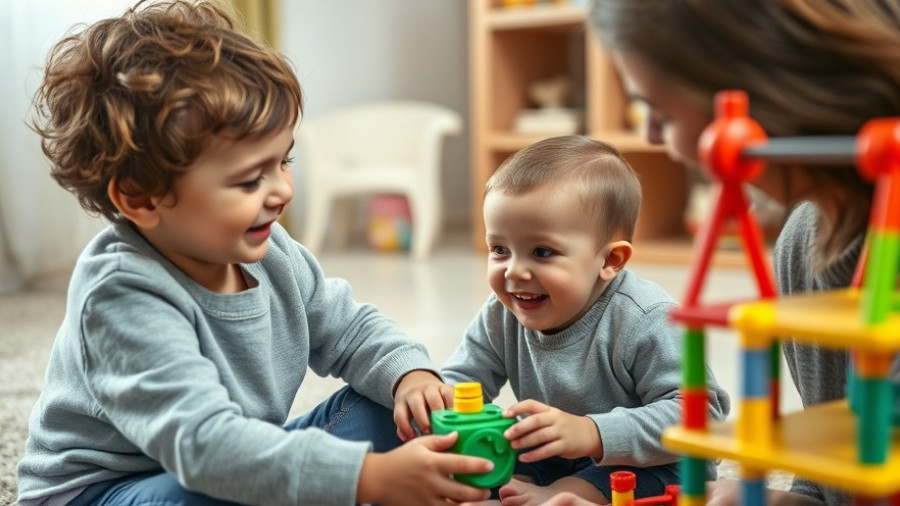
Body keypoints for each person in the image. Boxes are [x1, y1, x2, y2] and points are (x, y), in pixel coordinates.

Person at [15, 1, 494, 505]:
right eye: (249, 179)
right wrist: (368, 480)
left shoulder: (268, 250)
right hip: (112, 490)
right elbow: (205, 448)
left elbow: (349, 330)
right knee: (222, 488)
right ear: (141, 196)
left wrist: (408, 376)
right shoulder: (119, 293)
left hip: (228, 460)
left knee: (391, 411)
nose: (283, 190)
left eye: (283, 161)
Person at [540, 1, 900, 505]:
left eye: (660, 113)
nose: (653, 138)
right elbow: (835, 481)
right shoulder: (806, 240)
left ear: (765, 95)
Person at [437, 136, 730, 506]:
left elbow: (703, 414)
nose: (514, 271)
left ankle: (559, 496)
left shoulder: (646, 318)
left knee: (582, 488)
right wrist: (436, 408)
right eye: (499, 250)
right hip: (560, 457)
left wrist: (593, 432)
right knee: (488, 473)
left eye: (542, 252)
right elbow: (463, 382)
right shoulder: (502, 312)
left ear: (611, 261)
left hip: (656, 464)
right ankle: (537, 490)